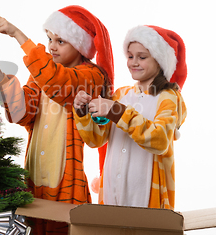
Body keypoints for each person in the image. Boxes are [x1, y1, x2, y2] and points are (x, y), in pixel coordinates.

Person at [0, 6, 114, 235]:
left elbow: (59, 82)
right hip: (33, 179)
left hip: (66, 184)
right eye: (49, 39)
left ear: (80, 45)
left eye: (60, 41)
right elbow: (22, 112)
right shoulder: (42, 75)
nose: (52, 47)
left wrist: (17, 34)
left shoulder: (91, 76)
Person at [73, 25, 187, 209]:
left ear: (159, 60)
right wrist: (82, 113)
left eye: (142, 57)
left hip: (146, 199)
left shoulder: (168, 97)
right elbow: (97, 139)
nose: (133, 62)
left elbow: (160, 140)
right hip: (112, 194)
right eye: (130, 56)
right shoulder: (121, 94)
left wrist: (117, 111)